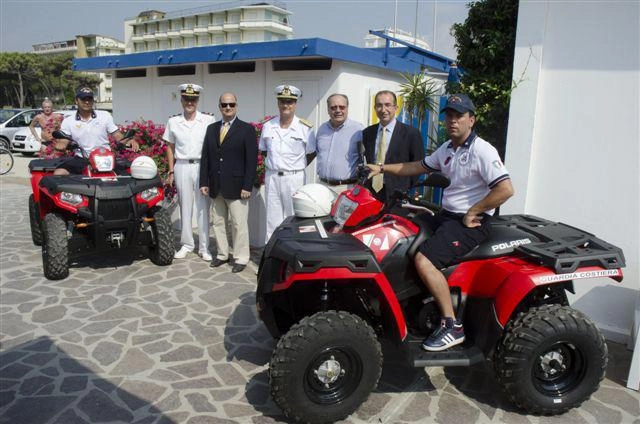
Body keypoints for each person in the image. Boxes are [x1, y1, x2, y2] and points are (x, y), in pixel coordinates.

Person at [367, 94, 514, 351]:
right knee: (403, 233)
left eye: (459, 116)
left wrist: (474, 210)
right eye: (449, 116)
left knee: (425, 260)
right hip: (446, 216)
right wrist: (382, 168)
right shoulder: (447, 148)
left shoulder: (482, 150)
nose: (452, 121)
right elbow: (417, 166)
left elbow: (506, 189)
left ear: (472, 120)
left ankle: (451, 324)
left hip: (471, 222)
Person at [200, 93, 258, 273]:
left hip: (237, 186)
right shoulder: (211, 129)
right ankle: (222, 254)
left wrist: (247, 186)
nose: (228, 108)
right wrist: (204, 182)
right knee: (218, 222)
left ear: (236, 106)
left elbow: (251, 161)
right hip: (216, 185)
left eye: (231, 104)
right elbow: (206, 158)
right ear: (219, 107)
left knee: (239, 224)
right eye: (224, 105)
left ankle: (241, 257)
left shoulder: (246, 129)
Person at [164, 83, 215, 261]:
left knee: (203, 208)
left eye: (193, 99)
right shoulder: (173, 121)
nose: (190, 102)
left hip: (202, 166)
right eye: (187, 99)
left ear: (198, 100)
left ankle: (204, 247)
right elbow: (170, 146)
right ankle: (186, 244)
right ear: (181, 100)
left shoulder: (208, 120)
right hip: (182, 166)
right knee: (185, 206)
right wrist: (171, 170)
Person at [259, 84, 316, 243]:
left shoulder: (304, 127)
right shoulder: (268, 126)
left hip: (294, 178)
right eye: (282, 101)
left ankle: (293, 251)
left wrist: (296, 166)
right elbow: (264, 150)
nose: (286, 105)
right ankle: (272, 252)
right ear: (278, 103)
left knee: (294, 217)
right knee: (272, 217)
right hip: (272, 177)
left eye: (290, 102)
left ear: (295, 104)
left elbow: (311, 152)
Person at [53, 87, 137, 175]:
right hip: (82, 159)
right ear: (76, 101)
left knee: (128, 177)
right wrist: (61, 144)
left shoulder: (105, 115)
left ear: (93, 101)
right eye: (83, 99)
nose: (87, 102)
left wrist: (129, 139)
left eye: (89, 99)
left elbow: (117, 135)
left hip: (105, 158)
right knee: (59, 173)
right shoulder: (68, 121)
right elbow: (64, 139)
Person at [362, 90, 424, 202]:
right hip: (371, 194)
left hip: (397, 195)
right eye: (379, 105)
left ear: (396, 108)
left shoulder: (411, 133)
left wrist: (405, 188)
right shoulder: (368, 133)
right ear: (375, 108)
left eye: (387, 105)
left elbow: (418, 165)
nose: (383, 110)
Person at [314, 94, 364, 194]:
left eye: (342, 107)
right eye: (333, 107)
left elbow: (365, 158)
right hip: (322, 186)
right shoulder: (322, 129)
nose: (338, 110)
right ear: (328, 110)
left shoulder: (358, 130)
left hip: (346, 188)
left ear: (347, 108)